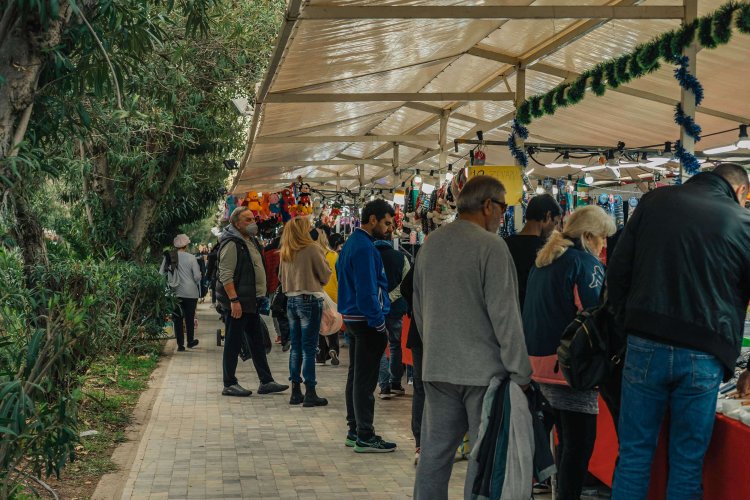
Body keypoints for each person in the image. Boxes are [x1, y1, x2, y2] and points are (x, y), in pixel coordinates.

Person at [608, 164, 750, 499]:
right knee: (687, 463)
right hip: (705, 351)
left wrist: (623, 327)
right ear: (741, 192)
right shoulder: (742, 222)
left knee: (634, 456)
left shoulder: (655, 202)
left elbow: (618, 271)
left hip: (645, 342)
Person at [413, 176, 532, 499]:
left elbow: (420, 311)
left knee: (434, 458)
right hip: (484, 374)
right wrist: (520, 371)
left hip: (438, 368)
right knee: (482, 460)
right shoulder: (491, 246)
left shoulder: (431, 243)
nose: (503, 217)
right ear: (488, 205)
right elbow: (505, 314)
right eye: (503, 209)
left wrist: (438, 347)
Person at [523, 205, 616, 500]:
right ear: (589, 235)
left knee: (556, 445)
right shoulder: (585, 265)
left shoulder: (545, 260)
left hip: (538, 367)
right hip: (568, 369)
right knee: (578, 448)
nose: (603, 245)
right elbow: (596, 317)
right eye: (602, 238)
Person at [338, 199, 397, 453]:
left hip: (353, 319)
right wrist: (379, 323)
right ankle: (364, 434)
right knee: (364, 381)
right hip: (365, 321)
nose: (388, 229)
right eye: (385, 223)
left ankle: (355, 429)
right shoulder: (364, 248)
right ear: (372, 219)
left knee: (356, 377)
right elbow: (367, 291)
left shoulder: (352, 244)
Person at [215, 207, 289, 397]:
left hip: (252, 301)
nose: (253, 222)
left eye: (253, 218)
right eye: (248, 220)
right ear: (237, 224)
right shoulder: (232, 243)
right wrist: (234, 300)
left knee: (257, 342)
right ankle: (229, 383)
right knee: (233, 341)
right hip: (239, 302)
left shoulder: (251, 241)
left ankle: (266, 381)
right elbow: (225, 275)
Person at [279, 217, 332, 407]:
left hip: (291, 301)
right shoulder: (312, 248)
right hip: (309, 300)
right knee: (309, 348)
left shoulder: (285, 251)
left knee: (296, 347)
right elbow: (325, 275)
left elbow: (280, 277)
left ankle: (295, 390)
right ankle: (310, 391)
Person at [505, 194, 563, 311]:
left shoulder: (505, 245)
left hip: (510, 312)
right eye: (555, 222)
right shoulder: (548, 250)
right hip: (536, 314)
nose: (555, 228)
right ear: (547, 216)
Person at [375, 231, 410, 399]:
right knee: (395, 345)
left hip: (375, 307)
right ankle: (396, 383)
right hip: (396, 309)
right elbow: (407, 282)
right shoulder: (400, 257)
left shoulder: (370, 255)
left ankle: (384, 386)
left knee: (380, 347)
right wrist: (391, 296)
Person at [160, 234, 202, 352]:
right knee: (189, 317)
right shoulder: (191, 257)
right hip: (190, 293)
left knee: (177, 318)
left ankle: (180, 345)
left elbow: (161, 273)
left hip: (174, 293)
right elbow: (197, 276)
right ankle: (190, 341)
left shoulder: (169, 256)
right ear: (186, 245)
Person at [399, 264, 424, 465]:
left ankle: (421, 442)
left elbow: (406, 287)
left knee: (421, 388)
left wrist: (415, 309)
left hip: (419, 333)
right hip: (444, 336)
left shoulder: (425, 255)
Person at [315, 230, 341, 366]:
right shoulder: (334, 256)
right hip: (333, 294)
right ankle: (333, 348)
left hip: (318, 294)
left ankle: (320, 354)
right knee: (333, 324)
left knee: (319, 326)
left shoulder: (313, 255)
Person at [265, 233, 291, 351]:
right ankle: (288, 334)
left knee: (276, 310)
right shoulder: (286, 253)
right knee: (286, 310)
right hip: (287, 285)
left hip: (271, 285)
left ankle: (280, 334)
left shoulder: (267, 253)